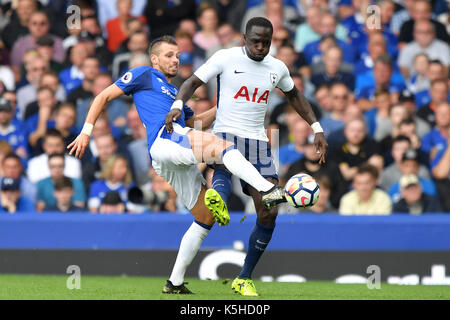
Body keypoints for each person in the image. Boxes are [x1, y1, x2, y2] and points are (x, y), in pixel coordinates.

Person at [68, 35, 286, 295]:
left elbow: (196, 125)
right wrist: (86, 131)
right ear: (154, 58)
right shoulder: (144, 74)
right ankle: (267, 189)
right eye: (169, 55)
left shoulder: (175, 93)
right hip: (166, 139)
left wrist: (225, 105)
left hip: (171, 154)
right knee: (224, 148)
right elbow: (103, 96)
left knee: (205, 216)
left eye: (178, 55)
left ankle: (174, 282)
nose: (176, 60)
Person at [165, 17, 328, 296]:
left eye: (266, 42)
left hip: (258, 143)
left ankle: (244, 276)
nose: (261, 47)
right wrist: (178, 104)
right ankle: (218, 195)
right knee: (224, 166)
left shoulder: (277, 67)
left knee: (269, 210)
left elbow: (296, 96)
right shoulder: (225, 58)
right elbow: (193, 81)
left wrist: (316, 127)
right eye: (256, 41)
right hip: (225, 133)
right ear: (244, 38)